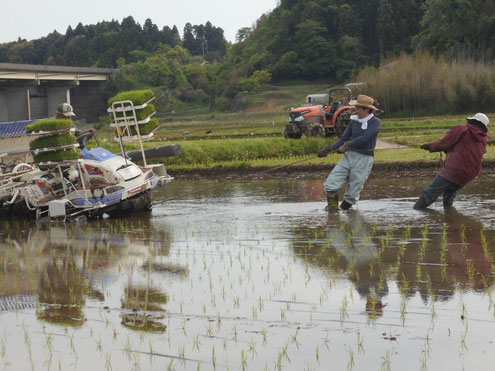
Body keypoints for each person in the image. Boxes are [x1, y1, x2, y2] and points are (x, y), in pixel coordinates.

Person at [317, 95, 381, 211]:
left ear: (366, 109)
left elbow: (364, 139)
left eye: (358, 108)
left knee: (352, 194)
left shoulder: (375, 123)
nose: (356, 110)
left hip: (364, 159)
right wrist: (329, 149)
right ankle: (333, 212)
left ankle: (345, 213)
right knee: (331, 184)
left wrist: (347, 146)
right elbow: (343, 138)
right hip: (349, 157)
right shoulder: (353, 122)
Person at [413, 113, 489, 209]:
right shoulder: (482, 138)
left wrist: (429, 146)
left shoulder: (462, 129)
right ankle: (451, 218)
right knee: (450, 192)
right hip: (470, 174)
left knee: (430, 193)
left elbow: (445, 143)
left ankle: (416, 211)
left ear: (473, 121)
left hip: (454, 169)